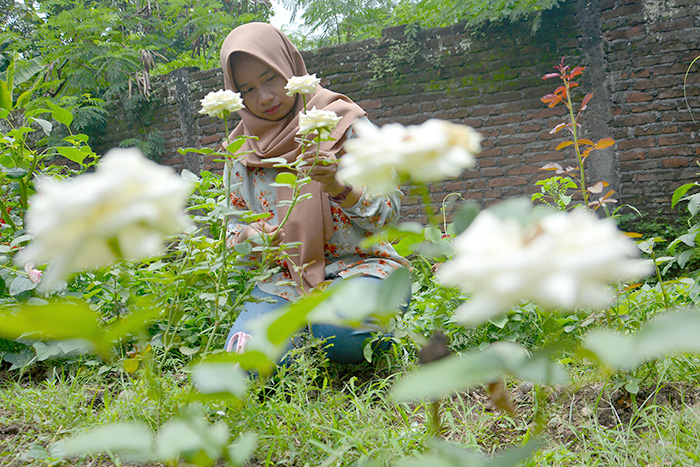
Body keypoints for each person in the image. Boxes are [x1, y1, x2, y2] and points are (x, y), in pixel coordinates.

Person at [220, 22, 409, 364]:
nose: (264, 97)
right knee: (243, 364)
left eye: (270, 78)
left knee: (343, 338)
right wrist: (250, 236)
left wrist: (340, 187)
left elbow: (390, 212)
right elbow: (231, 234)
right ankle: (298, 334)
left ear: (290, 68)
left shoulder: (344, 122)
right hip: (281, 284)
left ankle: (317, 330)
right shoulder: (240, 150)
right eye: (247, 89)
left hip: (361, 267)